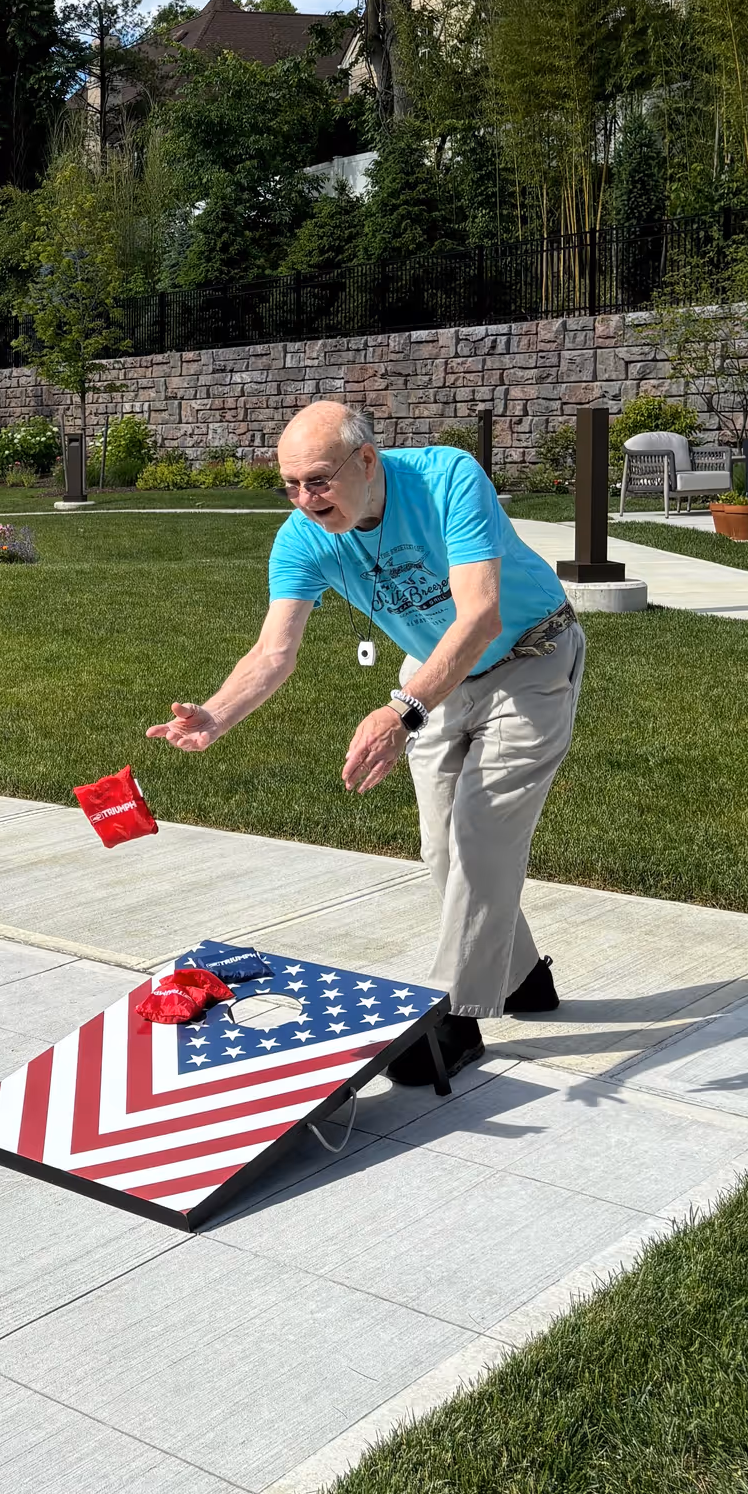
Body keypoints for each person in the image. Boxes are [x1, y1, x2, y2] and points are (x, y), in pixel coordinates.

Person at [149, 400, 584, 1080]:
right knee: (442, 848)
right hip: (435, 676)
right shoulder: (303, 537)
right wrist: (216, 713)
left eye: (317, 480)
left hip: (530, 659)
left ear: (367, 460)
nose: (304, 499)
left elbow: (480, 613)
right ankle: (524, 976)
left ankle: (452, 1021)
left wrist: (402, 711)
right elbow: (273, 652)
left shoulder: (447, 479)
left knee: (479, 834)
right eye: (290, 484)